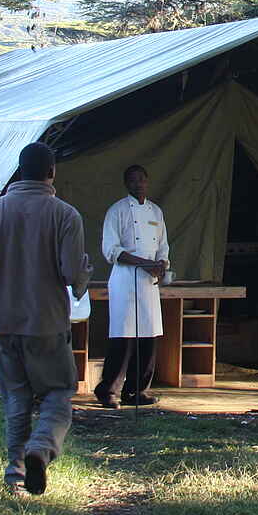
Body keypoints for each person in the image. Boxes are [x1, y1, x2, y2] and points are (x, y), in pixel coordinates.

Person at [0, 142, 89, 496]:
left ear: (18, 172)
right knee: (58, 392)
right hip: (47, 322)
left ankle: (14, 474)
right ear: (51, 172)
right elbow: (70, 273)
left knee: (15, 397)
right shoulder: (65, 215)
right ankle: (42, 446)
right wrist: (84, 275)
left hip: (3, 320)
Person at [95, 163, 169, 408]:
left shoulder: (156, 212)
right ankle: (108, 391)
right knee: (123, 336)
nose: (138, 184)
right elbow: (112, 249)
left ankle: (136, 390)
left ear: (147, 182)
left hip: (148, 282)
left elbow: (163, 246)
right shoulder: (116, 211)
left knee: (148, 335)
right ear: (126, 184)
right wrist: (144, 263)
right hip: (125, 279)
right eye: (133, 180)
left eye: (142, 180)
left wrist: (160, 265)